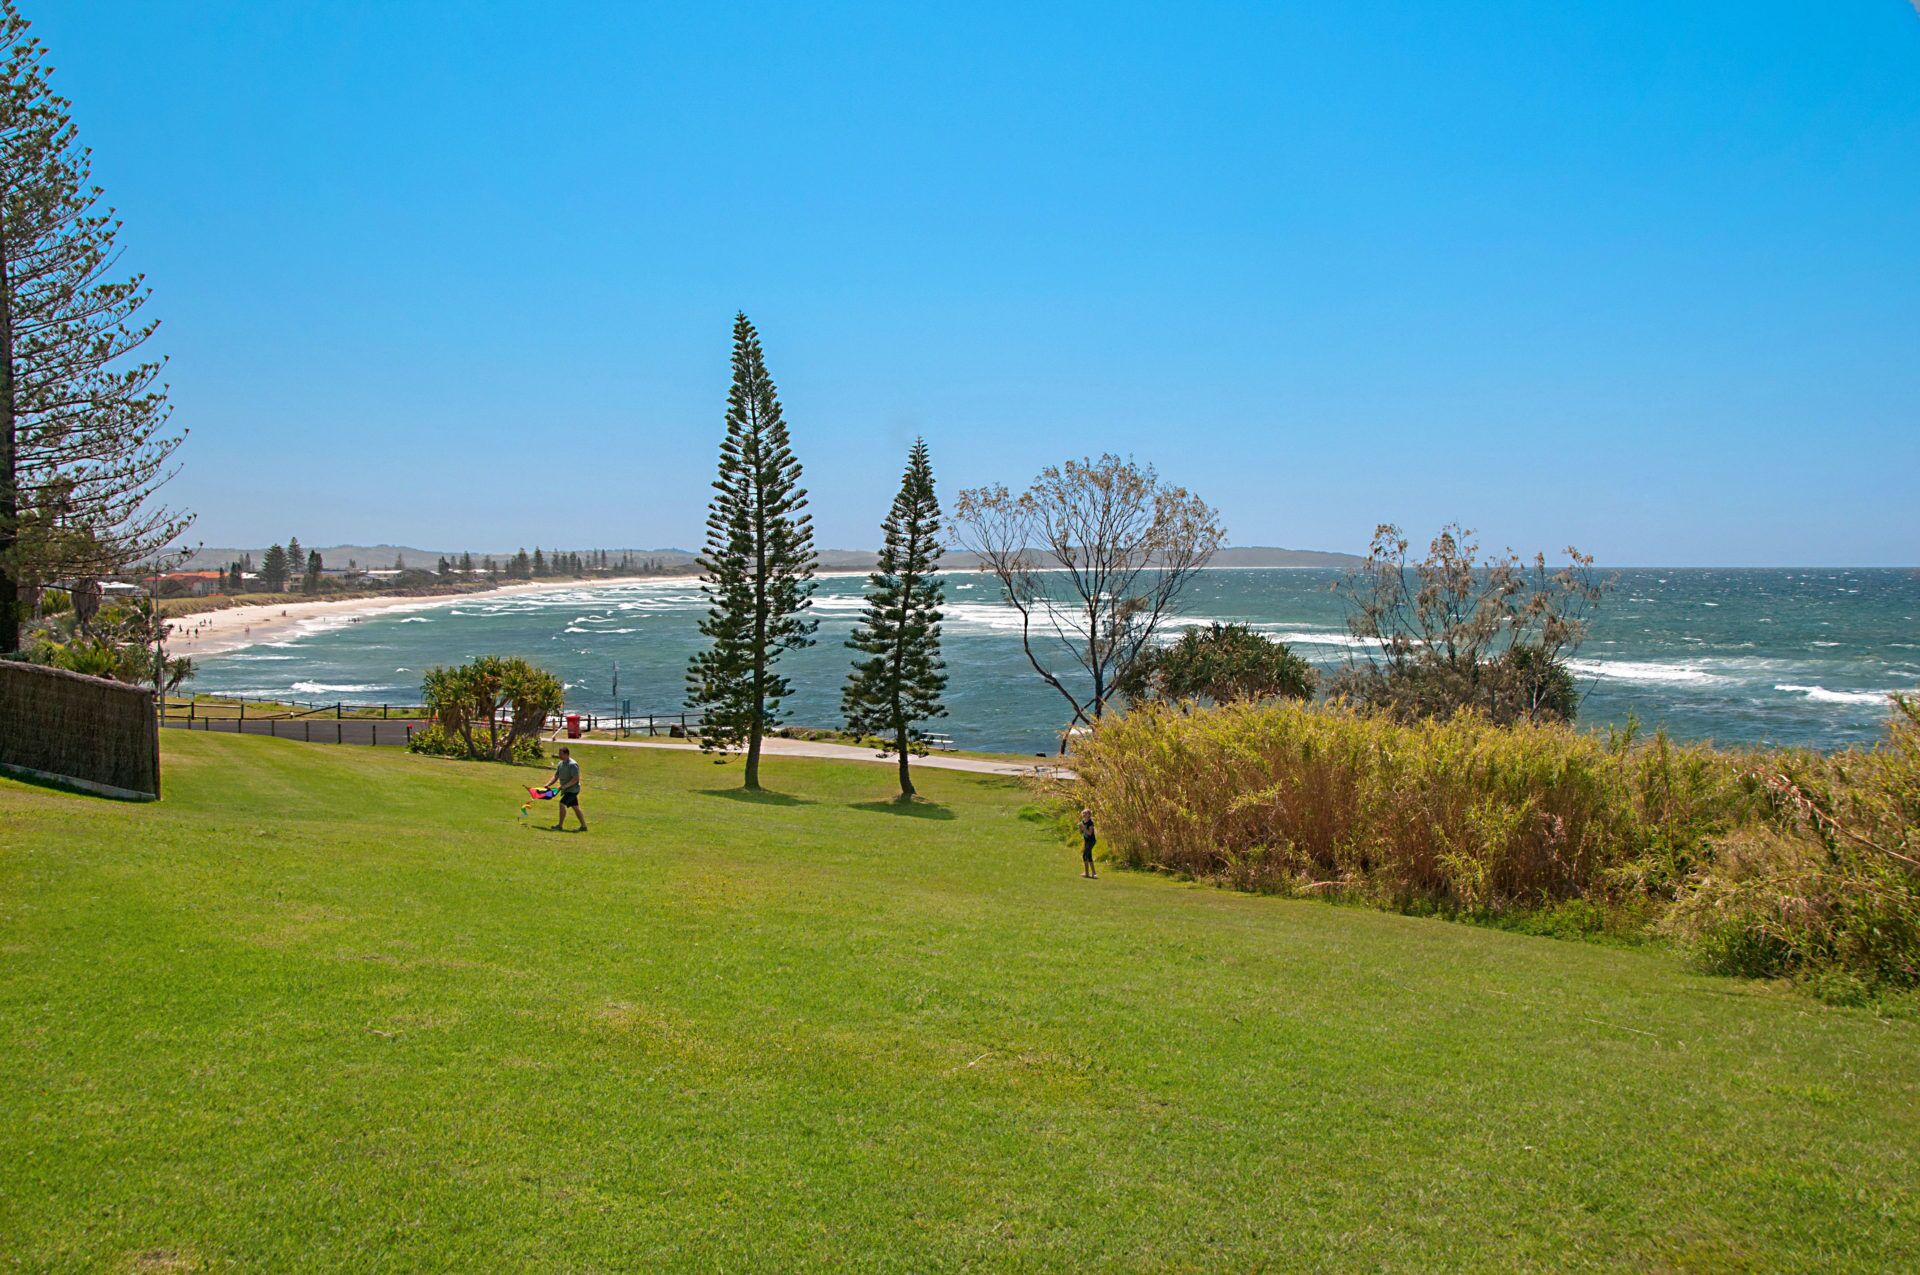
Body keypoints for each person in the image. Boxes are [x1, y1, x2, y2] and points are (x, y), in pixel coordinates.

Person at [546, 747, 587, 831]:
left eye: (561, 754)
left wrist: (563, 786)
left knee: (562, 803)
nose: (559, 755)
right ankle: (584, 826)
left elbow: (575, 779)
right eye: (559, 753)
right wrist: (548, 784)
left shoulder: (572, 765)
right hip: (566, 789)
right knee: (575, 807)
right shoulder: (561, 764)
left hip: (573, 790)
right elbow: (556, 776)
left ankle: (560, 826)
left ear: (566, 754)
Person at [1079, 808, 1097, 878]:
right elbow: (1081, 832)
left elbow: (1090, 833)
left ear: (1089, 815)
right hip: (1086, 841)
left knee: (1084, 855)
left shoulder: (1090, 822)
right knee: (1089, 857)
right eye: (1083, 813)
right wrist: (1081, 828)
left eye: (1086, 813)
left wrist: (1084, 828)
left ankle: (1087, 873)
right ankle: (1094, 873)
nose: (1084, 814)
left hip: (1091, 841)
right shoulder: (1082, 822)